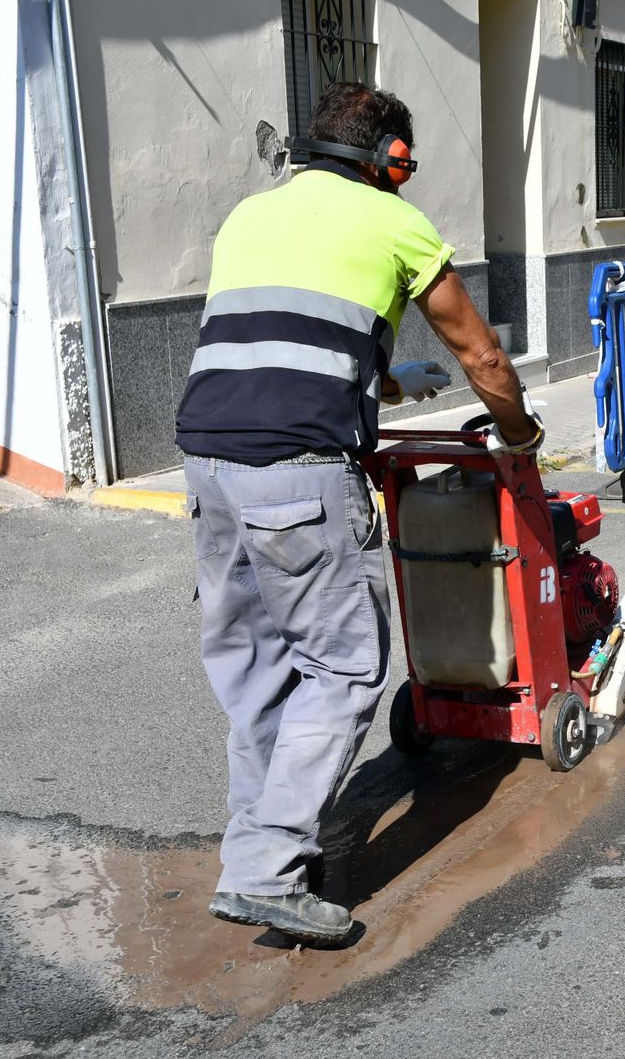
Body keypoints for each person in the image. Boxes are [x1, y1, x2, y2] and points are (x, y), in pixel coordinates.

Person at [175, 82, 538, 944]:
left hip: (208, 468)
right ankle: (266, 870)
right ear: (390, 161)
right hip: (300, 473)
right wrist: (520, 435)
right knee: (342, 669)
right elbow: (481, 353)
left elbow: (274, 340)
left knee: (257, 673)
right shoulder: (397, 223)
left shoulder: (249, 216)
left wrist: (383, 382)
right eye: (403, 169)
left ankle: (259, 855)